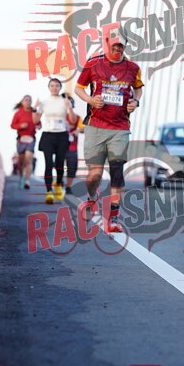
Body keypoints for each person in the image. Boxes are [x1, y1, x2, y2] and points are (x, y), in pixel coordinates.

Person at [74, 26, 143, 233]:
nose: (118, 49)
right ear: (107, 44)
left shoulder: (133, 68)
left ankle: (113, 219)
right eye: (114, 45)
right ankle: (92, 197)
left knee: (117, 172)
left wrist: (135, 102)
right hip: (96, 126)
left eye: (121, 46)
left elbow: (138, 88)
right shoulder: (93, 63)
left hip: (120, 127)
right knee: (94, 175)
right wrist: (90, 100)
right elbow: (78, 88)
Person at [35, 78, 75, 203]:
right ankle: (48, 192)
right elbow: (35, 120)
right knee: (48, 163)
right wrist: (35, 108)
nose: (54, 88)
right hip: (48, 135)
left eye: (57, 86)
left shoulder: (65, 101)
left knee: (59, 164)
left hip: (62, 135)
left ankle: (58, 184)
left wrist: (69, 108)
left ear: (60, 88)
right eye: (52, 85)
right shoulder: (44, 102)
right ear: (49, 87)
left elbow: (73, 120)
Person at [11, 95, 39, 189]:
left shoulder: (33, 112)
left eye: (29, 100)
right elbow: (12, 125)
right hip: (21, 140)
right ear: (22, 102)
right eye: (26, 100)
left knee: (28, 160)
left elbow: (38, 122)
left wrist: (39, 125)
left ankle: (27, 181)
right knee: (21, 162)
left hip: (31, 139)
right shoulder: (18, 113)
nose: (28, 102)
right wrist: (20, 126)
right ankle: (21, 177)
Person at [63, 95, 84, 194]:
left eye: (70, 102)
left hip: (72, 146)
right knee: (58, 165)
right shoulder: (58, 116)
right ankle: (59, 182)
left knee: (72, 168)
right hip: (60, 146)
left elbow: (83, 128)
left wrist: (78, 130)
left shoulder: (77, 117)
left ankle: (68, 186)